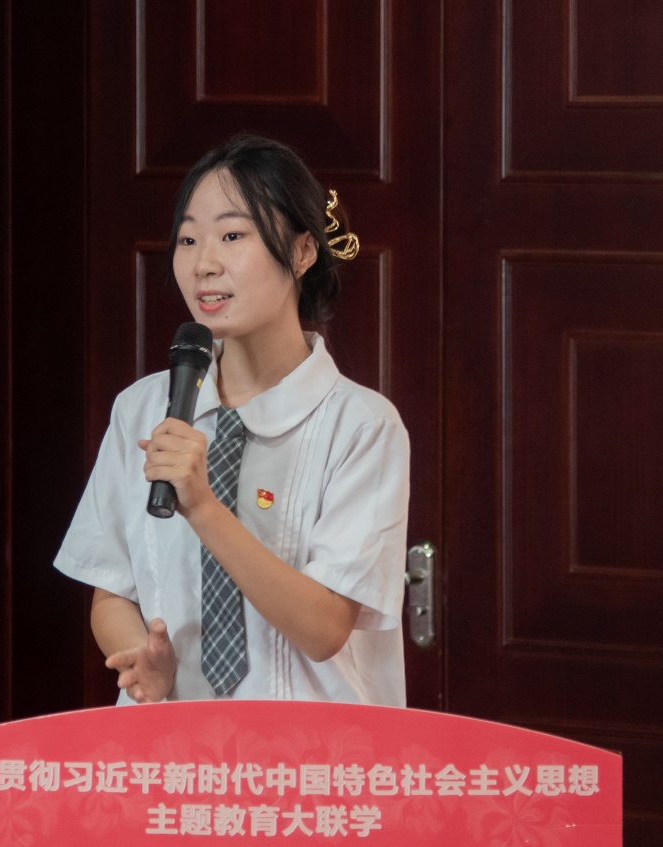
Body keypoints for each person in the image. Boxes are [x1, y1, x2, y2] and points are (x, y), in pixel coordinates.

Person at [54, 134, 410, 705]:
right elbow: (111, 589)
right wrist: (141, 658)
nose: (203, 264)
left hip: (315, 749)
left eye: (232, 235)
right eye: (188, 239)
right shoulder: (142, 408)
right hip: (173, 742)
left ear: (302, 252)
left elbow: (325, 629)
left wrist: (202, 506)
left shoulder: (362, 426)